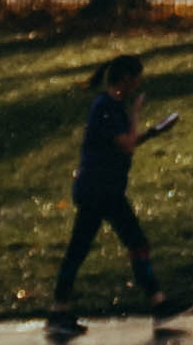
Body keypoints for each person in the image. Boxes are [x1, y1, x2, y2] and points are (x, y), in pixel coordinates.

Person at [53, 52, 182, 329]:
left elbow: (126, 143)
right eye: (136, 79)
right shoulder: (106, 107)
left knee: (106, 246)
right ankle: (157, 302)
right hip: (99, 190)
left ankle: (60, 311)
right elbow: (127, 145)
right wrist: (136, 113)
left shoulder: (111, 107)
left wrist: (154, 131)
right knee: (122, 244)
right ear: (125, 78)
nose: (138, 85)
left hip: (104, 189)